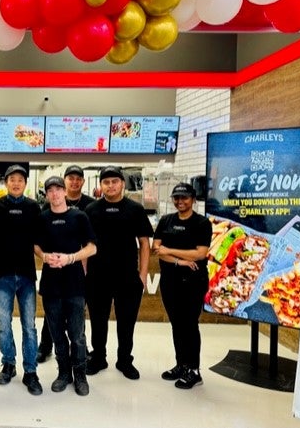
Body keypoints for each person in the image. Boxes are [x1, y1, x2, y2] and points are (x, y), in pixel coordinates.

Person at [84, 166, 154, 380]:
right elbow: (85, 243)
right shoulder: (91, 210)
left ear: (122, 184)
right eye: (106, 182)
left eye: (115, 181)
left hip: (127, 277)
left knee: (126, 321)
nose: (111, 185)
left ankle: (124, 360)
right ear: (100, 185)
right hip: (97, 277)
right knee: (98, 320)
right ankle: (98, 357)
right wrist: (84, 272)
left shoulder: (135, 209)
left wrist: (142, 274)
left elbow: (144, 242)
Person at [34, 176, 96, 396]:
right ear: (47, 194)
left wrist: (71, 258)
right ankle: (63, 373)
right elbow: (36, 245)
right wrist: (44, 256)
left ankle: (80, 374)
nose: (55, 194)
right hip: (51, 285)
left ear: (64, 192)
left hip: (75, 284)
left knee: (77, 334)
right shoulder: (42, 218)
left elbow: (91, 248)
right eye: (50, 190)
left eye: (58, 189)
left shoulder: (79, 216)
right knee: (57, 333)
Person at [0, 165, 43, 396]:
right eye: (12, 179)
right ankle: (8, 364)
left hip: (27, 276)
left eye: (20, 179)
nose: (16, 183)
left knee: (29, 326)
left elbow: (40, 239)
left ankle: (30, 371)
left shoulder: (33, 207)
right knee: (3, 324)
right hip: (2, 276)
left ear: (26, 183)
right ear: (6, 182)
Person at [152, 182, 212, 389]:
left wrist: (170, 250)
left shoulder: (202, 223)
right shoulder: (166, 220)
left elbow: (201, 253)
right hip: (170, 279)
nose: (180, 201)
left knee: (189, 324)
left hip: (194, 281)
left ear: (193, 199)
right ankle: (181, 365)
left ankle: (194, 370)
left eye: (184, 198)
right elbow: (156, 249)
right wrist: (180, 260)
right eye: (176, 198)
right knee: (177, 324)